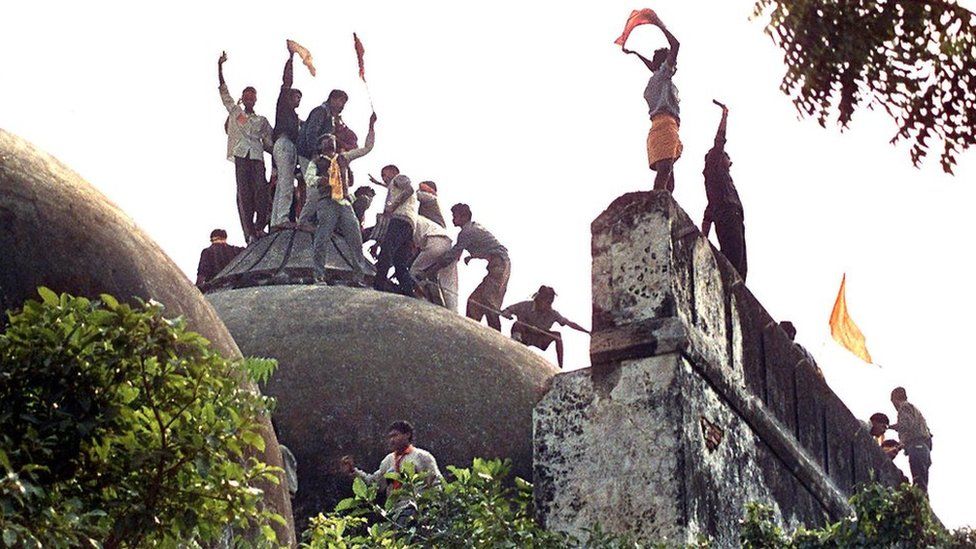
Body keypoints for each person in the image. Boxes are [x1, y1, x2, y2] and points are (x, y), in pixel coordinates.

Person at [305, 113, 376, 284]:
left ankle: (358, 277)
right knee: (322, 238)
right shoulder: (316, 162)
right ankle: (319, 275)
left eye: (332, 139)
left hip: (344, 203)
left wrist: (371, 127)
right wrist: (320, 180)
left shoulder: (344, 158)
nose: (330, 141)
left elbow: (366, 148)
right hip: (327, 202)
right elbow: (309, 179)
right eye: (326, 140)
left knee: (355, 239)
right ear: (320, 145)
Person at [218, 51, 274, 244]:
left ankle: (260, 226)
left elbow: (270, 142)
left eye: (252, 97)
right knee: (244, 193)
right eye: (246, 96)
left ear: (255, 99)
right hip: (241, 155)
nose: (249, 99)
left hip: (257, 157)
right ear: (243, 98)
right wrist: (220, 67)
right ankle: (250, 231)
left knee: (261, 191)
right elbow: (225, 95)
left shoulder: (262, 120)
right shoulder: (237, 114)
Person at [621, 13, 681, 192]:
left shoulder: (656, 80)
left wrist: (635, 54)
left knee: (669, 176)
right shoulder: (663, 76)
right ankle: (656, 204)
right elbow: (676, 45)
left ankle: (664, 206)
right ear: (665, 63)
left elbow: (653, 66)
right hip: (665, 126)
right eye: (671, 60)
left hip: (662, 127)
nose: (675, 63)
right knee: (665, 171)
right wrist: (660, 25)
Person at [340, 420, 442, 525]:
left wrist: (434, 511)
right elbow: (375, 483)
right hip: (395, 513)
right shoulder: (388, 460)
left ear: (407, 435)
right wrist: (353, 471)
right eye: (389, 437)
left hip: (418, 510)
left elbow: (436, 483)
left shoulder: (422, 456)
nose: (391, 440)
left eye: (395, 435)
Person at [431, 204, 510, 331]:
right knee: (474, 302)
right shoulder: (471, 229)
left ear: (464, 217)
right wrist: (473, 256)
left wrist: (432, 269)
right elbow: (485, 246)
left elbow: (452, 254)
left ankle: (497, 336)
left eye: (455, 216)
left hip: (500, 265)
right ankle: (470, 331)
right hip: (496, 264)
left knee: (489, 302)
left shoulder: (467, 232)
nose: (453, 219)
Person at [701, 100, 747, 280]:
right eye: (727, 157)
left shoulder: (721, 184)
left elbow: (708, 214)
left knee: (741, 268)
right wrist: (724, 116)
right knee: (733, 260)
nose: (731, 162)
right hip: (728, 217)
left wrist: (702, 238)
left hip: (735, 218)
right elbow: (720, 140)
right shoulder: (714, 167)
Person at [501, 286, 589, 368]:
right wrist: (507, 314)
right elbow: (508, 310)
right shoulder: (525, 306)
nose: (547, 305)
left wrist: (587, 332)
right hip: (524, 335)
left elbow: (569, 323)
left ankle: (560, 367)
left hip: (539, 339)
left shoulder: (552, 313)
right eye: (545, 301)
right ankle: (515, 345)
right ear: (539, 299)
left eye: (549, 302)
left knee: (557, 336)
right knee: (518, 324)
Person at [297, 89, 350, 224]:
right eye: (340, 101)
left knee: (319, 190)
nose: (342, 105)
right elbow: (311, 132)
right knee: (314, 190)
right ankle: (303, 222)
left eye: (344, 102)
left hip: (313, 155)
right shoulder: (321, 112)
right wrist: (315, 153)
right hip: (308, 155)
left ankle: (308, 221)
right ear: (332, 99)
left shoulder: (327, 115)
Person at [270, 46, 308, 229]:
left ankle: (276, 220)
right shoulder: (284, 107)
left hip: (287, 146)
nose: (297, 100)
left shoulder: (294, 117)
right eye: (295, 96)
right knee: (285, 184)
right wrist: (291, 58)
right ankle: (283, 218)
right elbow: (287, 81)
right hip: (284, 144)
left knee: (282, 185)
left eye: (300, 98)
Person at [368, 166, 418, 297]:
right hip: (409, 224)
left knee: (387, 251)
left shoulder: (399, 178)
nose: (383, 178)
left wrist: (392, 206)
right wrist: (378, 183)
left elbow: (409, 189)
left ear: (393, 172)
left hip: (400, 219)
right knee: (399, 260)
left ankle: (378, 285)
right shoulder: (394, 185)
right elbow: (393, 187)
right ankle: (408, 291)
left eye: (384, 174)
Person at [410, 215, 459, 311]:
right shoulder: (416, 217)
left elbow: (410, 249)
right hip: (447, 242)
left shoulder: (403, 220)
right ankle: (450, 310)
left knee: (415, 271)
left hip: (434, 241)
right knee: (445, 283)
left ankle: (419, 298)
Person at [890, 387, 933, 494]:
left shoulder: (903, 407)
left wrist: (891, 427)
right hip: (924, 450)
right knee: (922, 484)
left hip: (917, 448)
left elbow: (906, 424)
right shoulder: (914, 410)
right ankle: (923, 507)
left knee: (919, 485)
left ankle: (919, 507)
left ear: (895, 399)